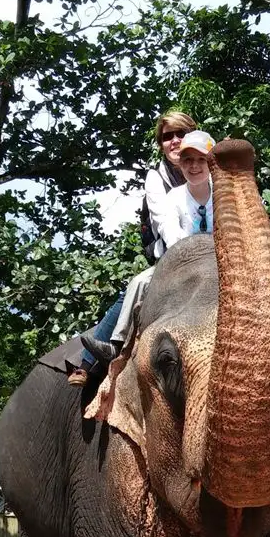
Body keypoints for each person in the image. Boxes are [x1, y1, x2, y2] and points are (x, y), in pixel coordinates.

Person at [71, 129, 215, 383]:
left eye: (201, 160)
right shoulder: (174, 197)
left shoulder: (224, 193)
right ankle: (116, 345)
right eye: (188, 161)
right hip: (181, 263)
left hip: (223, 263)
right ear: (181, 165)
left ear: (211, 163)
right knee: (139, 282)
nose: (194, 166)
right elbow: (170, 232)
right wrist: (196, 256)